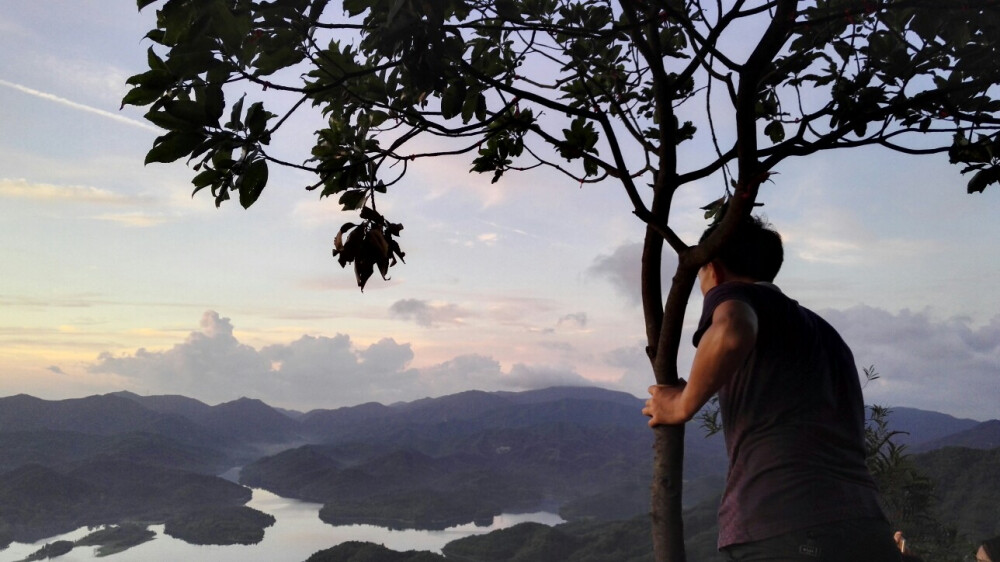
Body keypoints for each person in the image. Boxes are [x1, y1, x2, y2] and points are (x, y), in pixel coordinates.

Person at [642, 215, 900, 561]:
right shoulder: (825, 333)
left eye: (702, 276)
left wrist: (681, 404)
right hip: (866, 526)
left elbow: (733, 329)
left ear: (713, 269)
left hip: (783, 525)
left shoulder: (736, 295)